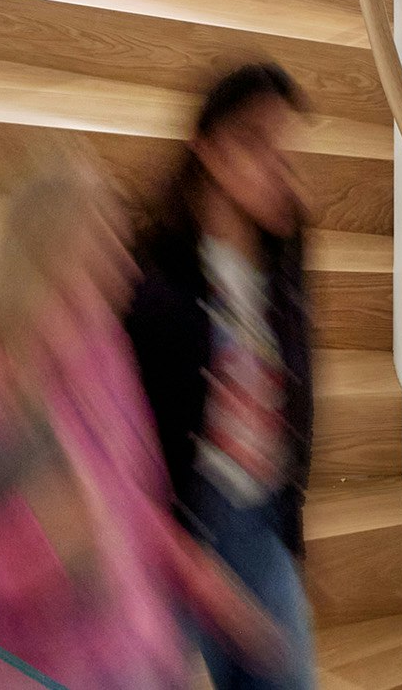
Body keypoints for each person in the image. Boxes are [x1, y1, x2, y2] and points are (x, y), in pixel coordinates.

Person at [0, 153, 269, 688]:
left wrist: (198, 579)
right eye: (100, 246)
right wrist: (43, 562)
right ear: (45, 254)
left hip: (131, 665)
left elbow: (124, 500)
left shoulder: (101, 355)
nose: (127, 269)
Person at [125, 64, 318, 690]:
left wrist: (288, 516)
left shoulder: (286, 256)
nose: (276, 167)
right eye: (255, 143)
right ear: (207, 150)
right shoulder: (151, 279)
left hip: (260, 518)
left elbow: (296, 389)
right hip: (176, 529)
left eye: (282, 147)